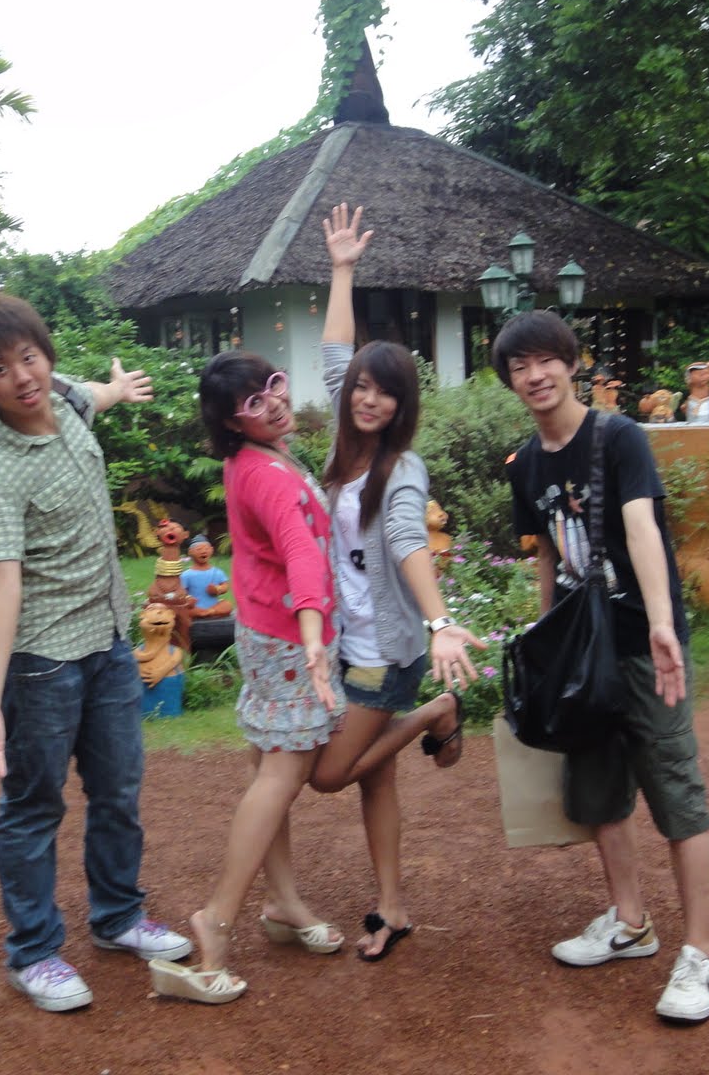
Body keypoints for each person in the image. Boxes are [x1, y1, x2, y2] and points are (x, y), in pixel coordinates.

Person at [0, 292, 191, 1014]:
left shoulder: (66, 398)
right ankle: (34, 953)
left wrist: (118, 388)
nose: (22, 377)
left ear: (45, 354)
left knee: (118, 790)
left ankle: (117, 916)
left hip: (108, 641)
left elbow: (90, 396)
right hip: (42, 661)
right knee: (33, 805)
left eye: (29, 357)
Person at [494, 309, 709, 1024]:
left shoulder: (617, 437)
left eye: (546, 360)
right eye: (520, 367)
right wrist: (544, 641)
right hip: (578, 653)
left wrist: (660, 623)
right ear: (510, 381)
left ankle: (701, 954)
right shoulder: (526, 464)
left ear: (572, 363)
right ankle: (630, 922)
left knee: (677, 795)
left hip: (641, 645)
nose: (536, 376)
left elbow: (641, 527)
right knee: (597, 794)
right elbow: (545, 553)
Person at [310, 203, 486, 961]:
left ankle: (437, 710)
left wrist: (441, 621)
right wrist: (342, 271)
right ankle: (392, 908)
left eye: (384, 392)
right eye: (361, 387)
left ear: (401, 404)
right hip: (349, 642)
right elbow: (334, 354)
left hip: (386, 649)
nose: (367, 398)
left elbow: (409, 540)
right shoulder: (341, 443)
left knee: (329, 775)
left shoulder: (401, 468)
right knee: (373, 777)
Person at [150, 350, 346, 1005]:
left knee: (269, 770)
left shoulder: (259, 456)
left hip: (269, 631)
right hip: (290, 639)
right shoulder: (264, 474)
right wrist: (314, 632)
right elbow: (299, 550)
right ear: (233, 423)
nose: (275, 403)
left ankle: (284, 902)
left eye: (274, 386)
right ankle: (217, 920)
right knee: (281, 776)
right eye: (255, 403)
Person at [178, 535, 231, 617]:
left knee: (227, 605)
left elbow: (225, 586)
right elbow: (180, 592)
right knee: (183, 610)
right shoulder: (187, 574)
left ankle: (209, 611)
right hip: (195, 607)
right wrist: (187, 598)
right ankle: (203, 612)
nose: (203, 552)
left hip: (214, 605)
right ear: (190, 552)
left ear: (211, 550)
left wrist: (218, 589)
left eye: (206, 549)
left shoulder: (217, 572)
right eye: (199, 549)